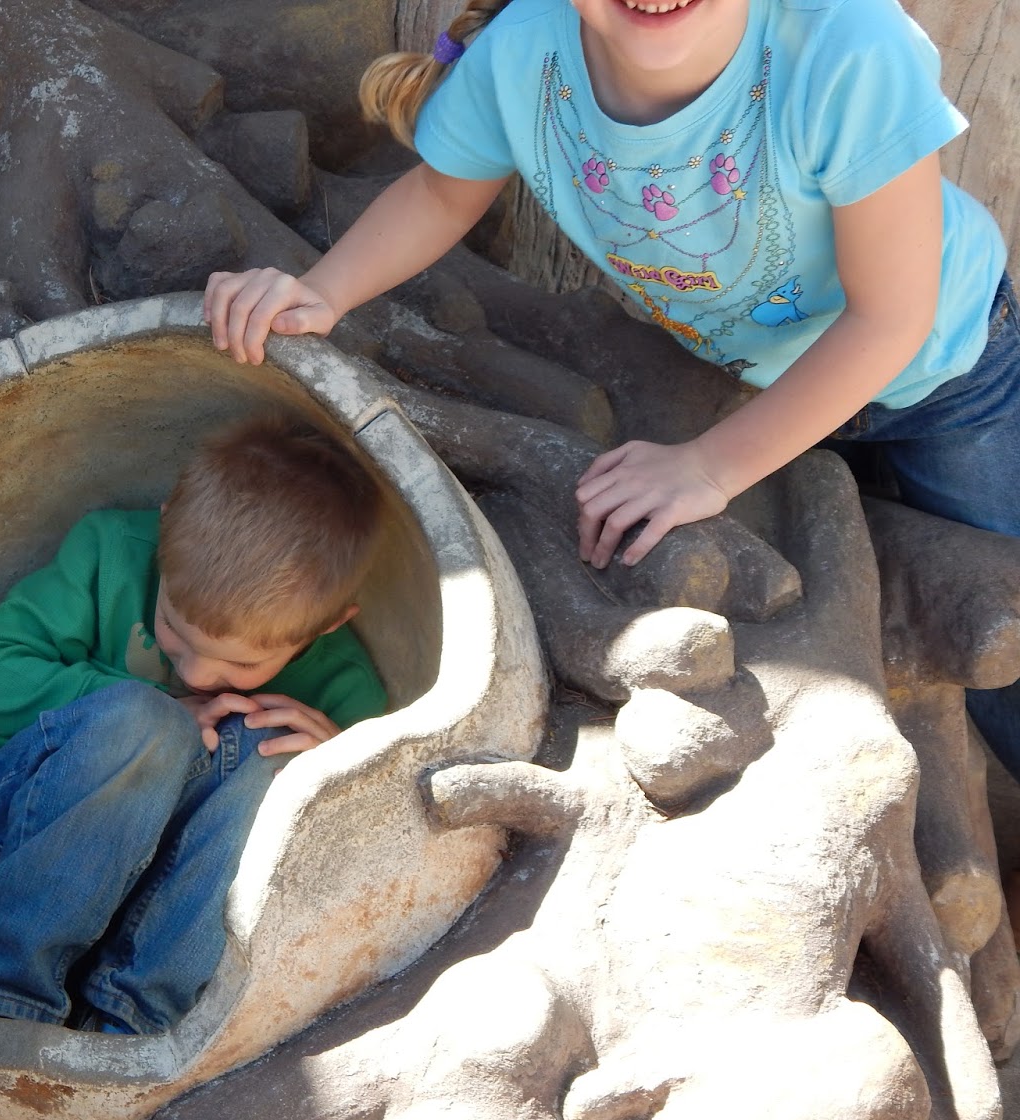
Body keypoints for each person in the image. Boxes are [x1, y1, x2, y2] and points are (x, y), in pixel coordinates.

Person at [203, 0, 1020, 786]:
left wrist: (708, 467)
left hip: (948, 374)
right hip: (758, 385)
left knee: (998, 624)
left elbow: (889, 320)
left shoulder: (848, 46)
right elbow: (440, 195)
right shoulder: (527, 53)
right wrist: (323, 292)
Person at [0, 414, 388, 1035]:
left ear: (328, 625)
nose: (199, 674)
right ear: (162, 533)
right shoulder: (110, 553)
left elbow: (369, 851)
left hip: (136, 918)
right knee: (145, 722)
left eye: (242, 663)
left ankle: (133, 1025)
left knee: (276, 748)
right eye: (174, 631)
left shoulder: (344, 685)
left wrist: (336, 774)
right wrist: (152, 702)